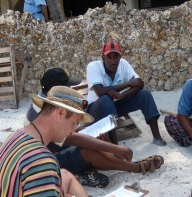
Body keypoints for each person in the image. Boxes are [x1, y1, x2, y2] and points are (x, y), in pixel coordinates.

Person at [26, 68, 165, 187]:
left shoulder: (49, 105)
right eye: (66, 87)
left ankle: (109, 163)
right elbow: (73, 138)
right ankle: (132, 167)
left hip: (56, 147)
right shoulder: (39, 113)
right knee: (87, 150)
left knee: (93, 141)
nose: (69, 89)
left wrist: (91, 136)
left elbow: (70, 134)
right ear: (54, 91)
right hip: (45, 162)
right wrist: (113, 147)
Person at [0, 86, 91, 196]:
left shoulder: (15, 136)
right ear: (60, 113)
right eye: (74, 124)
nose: (72, 132)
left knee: (65, 175)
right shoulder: (41, 161)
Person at [86, 41, 166, 146]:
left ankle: (157, 138)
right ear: (103, 57)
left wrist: (122, 95)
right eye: (109, 57)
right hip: (95, 110)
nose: (113, 61)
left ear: (120, 57)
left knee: (145, 94)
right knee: (106, 99)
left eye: (116, 57)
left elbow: (139, 83)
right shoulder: (93, 67)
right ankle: (116, 147)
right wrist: (128, 84)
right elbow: (100, 91)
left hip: (114, 108)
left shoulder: (123, 64)